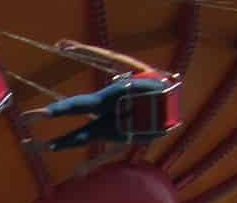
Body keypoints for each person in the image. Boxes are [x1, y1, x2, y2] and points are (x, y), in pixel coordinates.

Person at [21, 41, 179, 152]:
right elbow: (122, 146)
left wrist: (80, 47)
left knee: (96, 101)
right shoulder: (159, 126)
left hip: (150, 89)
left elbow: (113, 57)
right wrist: (93, 163)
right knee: (94, 133)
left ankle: (49, 111)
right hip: (140, 126)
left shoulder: (156, 76)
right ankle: (52, 145)